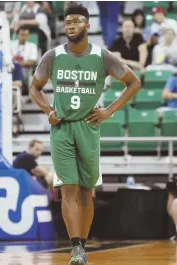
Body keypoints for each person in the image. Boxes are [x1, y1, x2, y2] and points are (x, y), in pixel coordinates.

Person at [30, 3, 141, 264]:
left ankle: (83, 243)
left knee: (86, 191)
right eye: (67, 21)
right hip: (62, 129)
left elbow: (134, 82)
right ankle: (76, 248)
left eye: (76, 21)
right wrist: (48, 110)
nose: (70, 25)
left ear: (88, 26)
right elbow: (34, 87)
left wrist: (110, 111)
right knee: (68, 189)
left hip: (89, 127)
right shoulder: (52, 55)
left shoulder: (103, 57)